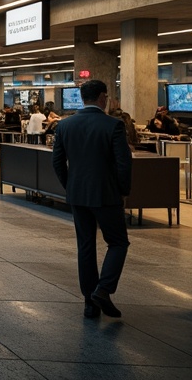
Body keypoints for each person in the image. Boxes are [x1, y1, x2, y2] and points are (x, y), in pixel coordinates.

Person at [52, 79, 132, 320]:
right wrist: (123, 191)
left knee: (85, 246)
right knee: (118, 242)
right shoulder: (113, 126)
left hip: (78, 195)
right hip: (106, 195)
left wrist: (71, 187)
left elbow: (57, 162)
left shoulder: (65, 126)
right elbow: (123, 164)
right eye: (106, 97)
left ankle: (90, 304)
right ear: (101, 97)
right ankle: (103, 290)